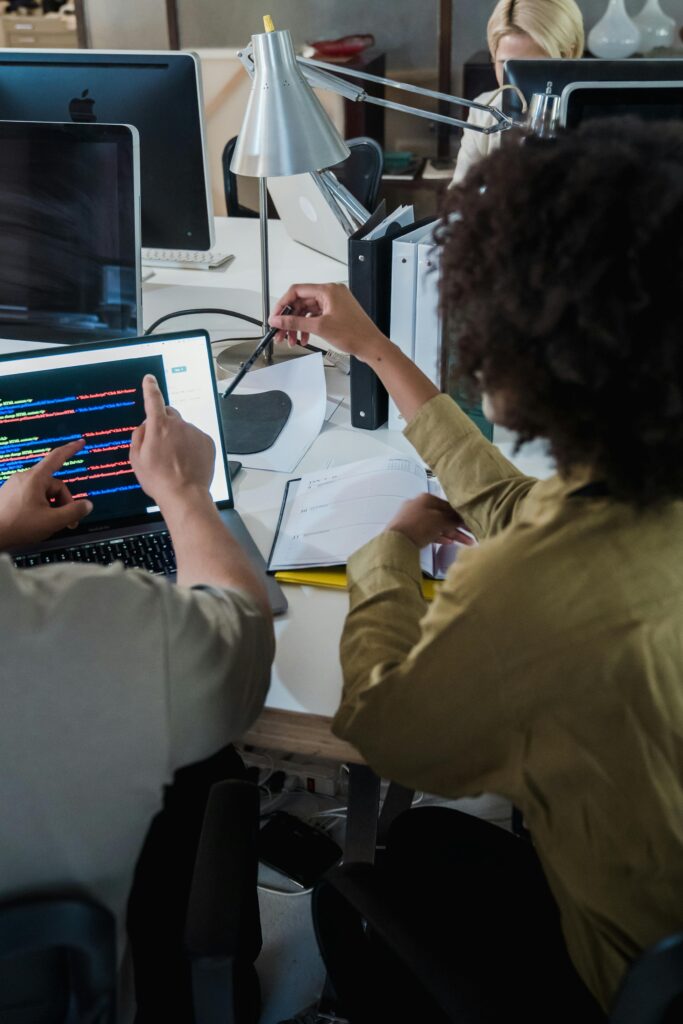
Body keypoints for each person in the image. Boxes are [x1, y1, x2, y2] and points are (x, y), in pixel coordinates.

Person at [269, 119, 683, 1021]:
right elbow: (519, 509)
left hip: (622, 972)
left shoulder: (530, 588)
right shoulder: (643, 482)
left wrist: (385, 553)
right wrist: (374, 349)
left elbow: (386, 731)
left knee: (391, 857)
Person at [0, 374, 274, 1020]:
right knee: (207, 765)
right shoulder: (74, 623)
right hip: (88, 999)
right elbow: (239, 642)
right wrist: (184, 493)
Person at [452, 0, 584, 184]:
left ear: (568, 56)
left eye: (533, 66)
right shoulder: (484, 113)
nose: (518, 81)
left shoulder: (599, 119)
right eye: (506, 65)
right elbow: (459, 197)